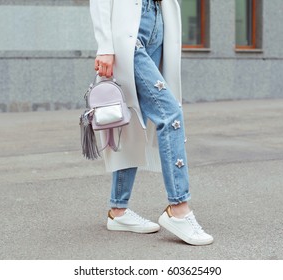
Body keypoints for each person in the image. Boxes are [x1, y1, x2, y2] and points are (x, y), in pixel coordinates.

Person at [89, 0, 213, 245]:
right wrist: (105, 44)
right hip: (130, 28)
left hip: (157, 19)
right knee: (169, 114)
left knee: (135, 119)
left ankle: (118, 211)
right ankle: (178, 208)